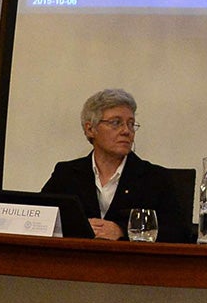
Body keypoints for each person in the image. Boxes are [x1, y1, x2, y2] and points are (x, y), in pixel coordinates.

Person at [40, 88, 191, 242]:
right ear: (90, 129)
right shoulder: (67, 174)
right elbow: (42, 219)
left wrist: (121, 230)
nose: (126, 131)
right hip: (76, 261)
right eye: (116, 123)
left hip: (131, 263)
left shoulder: (155, 178)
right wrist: (79, 228)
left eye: (131, 124)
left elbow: (180, 233)